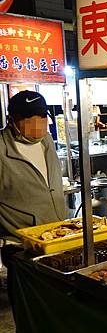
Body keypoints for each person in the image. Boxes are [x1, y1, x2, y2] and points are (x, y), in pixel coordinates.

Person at [0, 91, 66, 237]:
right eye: (29, 117)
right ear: (12, 120)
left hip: (59, 234)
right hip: (21, 243)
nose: (37, 122)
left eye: (42, 116)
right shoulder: (2, 148)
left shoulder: (47, 140)